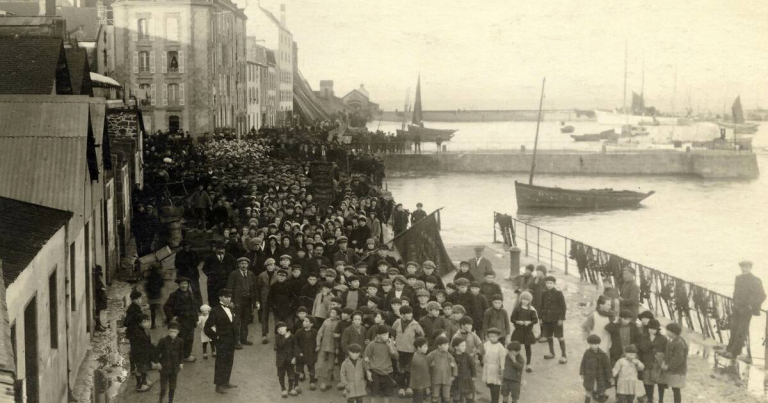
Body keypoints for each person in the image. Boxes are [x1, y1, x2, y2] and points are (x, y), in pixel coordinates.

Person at [723, 260, 766, 360]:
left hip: (746, 309)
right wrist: (734, 302)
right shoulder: (738, 278)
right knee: (733, 328)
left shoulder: (755, 280)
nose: (744, 269)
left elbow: (762, 296)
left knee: (741, 331)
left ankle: (734, 353)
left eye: (746, 267)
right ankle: (729, 349)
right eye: (742, 267)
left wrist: (751, 305)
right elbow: (736, 292)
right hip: (737, 308)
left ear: (750, 268)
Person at [203, 288, 238, 394]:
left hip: (231, 340)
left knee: (229, 360)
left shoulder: (230, 308)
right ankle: (218, 385)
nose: (228, 299)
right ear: (220, 298)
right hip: (222, 340)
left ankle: (226, 382)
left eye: (229, 297)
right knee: (221, 362)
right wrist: (216, 337)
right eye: (226, 297)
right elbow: (207, 328)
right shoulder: (215, 310)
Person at [162, 277, 199, 362]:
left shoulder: (190, 293)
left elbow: (194, 307)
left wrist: (196, 319)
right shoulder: (174, 295)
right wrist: (172, 317)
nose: (183, 285)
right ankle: (178, 356)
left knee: (190, 339)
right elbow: (166, 307)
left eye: (185, 283)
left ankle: (186, 355)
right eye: (182, 284)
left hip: (190, 321)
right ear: (178, 285)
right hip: (181, 321)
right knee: (181, 338)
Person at [226, 256, 259, 347]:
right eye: (241, 264)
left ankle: (243, 339)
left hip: (248, 301)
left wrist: (255, 300)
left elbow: (254, 288)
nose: (243, 265)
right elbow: (229, 288)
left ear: (248, 265)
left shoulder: (251, 274)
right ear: (238, 265)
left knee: (245, 321)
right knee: (236, 321)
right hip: (237, 301)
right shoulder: (234, 274)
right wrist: (231, 301)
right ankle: (236, 341)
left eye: (245, 264)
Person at [393, 305, 425, 397]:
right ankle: (401, 388)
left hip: (411, 351)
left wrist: (417, 346)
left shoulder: (415, 324)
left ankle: (409, 388)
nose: (410, 315)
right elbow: (392, 334)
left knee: (410, 370)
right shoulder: (397, 323)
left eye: (411, 313)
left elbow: (421, 336)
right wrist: (393, 344)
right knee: (400, 370)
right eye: (407, 313)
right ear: (402, 315)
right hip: (399, 351)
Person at [364, 325, 398, 403]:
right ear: (378, 335)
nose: (386, 336)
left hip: (388, 372)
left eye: (387, 334)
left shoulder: (390, 343)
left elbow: (396, 357)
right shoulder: (372, 344)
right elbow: (365, 359)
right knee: (374, 394)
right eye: (384, 335)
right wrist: (368, 371)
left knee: (388, 395)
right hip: (375, 372)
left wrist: (390, 347)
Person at [637, 319, 667, 403]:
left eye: (654, 328)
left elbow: (666, 351)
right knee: (647, 382)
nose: (651, 330)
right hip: (646, 362)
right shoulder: (643, 337)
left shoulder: (663, 339)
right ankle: (649, 399)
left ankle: (661, 400)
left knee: (660, 383)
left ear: (657, 329)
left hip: (658, 364)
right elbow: (641, 349)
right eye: (650, 328)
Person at [540, 275, 568, 364]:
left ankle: (563, 355)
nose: (549, 285)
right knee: (548, 336)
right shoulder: (544, 294)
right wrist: (540, 318)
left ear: (554, 284)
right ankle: (551, 352)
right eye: (547, 283)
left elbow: (563, 307)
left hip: (556, 320)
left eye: (551, 283)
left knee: (560, 337)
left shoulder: (558, 294)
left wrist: (561, 319)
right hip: (547, 319)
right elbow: (541, 307)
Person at [156, 322, 184, 403]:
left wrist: (181, 363)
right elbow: (156, 353)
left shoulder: (180, 341)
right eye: (171, 331)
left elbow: (181, 353)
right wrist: (157, 362)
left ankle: (170, 401)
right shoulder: (163, 341)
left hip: (174, 369)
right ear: (168, 331)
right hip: (164, 368)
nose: (173, 334)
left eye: (175, 332)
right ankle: (161, 401)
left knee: (172, 387)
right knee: (163, 387)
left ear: (178, 332)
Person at [509, 291, 538, 372]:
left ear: (529, 301)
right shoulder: (517, 309)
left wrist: (529, 322)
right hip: (518, 330)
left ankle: (528, 364)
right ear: (520, 299)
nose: (525, 301)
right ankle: (515, 361)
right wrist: (517, 322)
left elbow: (535, 320)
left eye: (527, 300)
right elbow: (512, 318)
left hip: (527, 331)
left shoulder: (531, 310)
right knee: (516, 346)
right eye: (523, 299)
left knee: (527, 347)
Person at [580, 334, 613, 403]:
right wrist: (582, 373)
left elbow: (608, 367)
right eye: (591, 344)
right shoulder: (587, 353)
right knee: (588, 390)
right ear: (589, 344)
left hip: (600, 377)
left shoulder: (603, 354)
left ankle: (601, 398)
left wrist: (610, 377)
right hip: (589, 376)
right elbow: (583, 363)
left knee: (600, 390)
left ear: (598, 344)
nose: (594, 346)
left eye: (596, 344)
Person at [127, 314, 154, 392]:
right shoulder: (138, 333)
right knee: (140, 370)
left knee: (144, 369)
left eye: (147, 321)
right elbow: (138, 346)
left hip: (143, 354)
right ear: (139, 323)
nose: (146, 323)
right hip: (139, 355)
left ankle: (144, 381)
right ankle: (139, 386)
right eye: (144, 322)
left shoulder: (143, 330)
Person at [427, 335, 458, 403]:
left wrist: (453, 376)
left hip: (447, 379)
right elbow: (425, 362)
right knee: (435, 396)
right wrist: (430, 365)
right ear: (439, 346)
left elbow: (455, 366)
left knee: (446, 396)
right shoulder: (433, 354)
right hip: (435, 378)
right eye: (445, 345)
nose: (447, 346)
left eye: (448, 345)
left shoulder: (449, 355)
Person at [662, 323, 687, 403]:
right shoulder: (671, 339)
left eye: (668, 331)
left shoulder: (679, 342)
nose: (667, 332)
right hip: (673, 369)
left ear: (673, 332)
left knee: (676, 389)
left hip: (677, 370)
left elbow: (679, 358)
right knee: (674, 388)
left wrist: (668, 366)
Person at [316, 307, 340, 392]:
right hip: (324, 346)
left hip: (333, 348)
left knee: (330, 365)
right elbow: (319, 333)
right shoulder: (326, 322)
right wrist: (318, 344)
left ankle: (327, 382)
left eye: (334, 313)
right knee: (320, 363)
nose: (331, 314)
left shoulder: (339, 323)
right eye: (331, 312)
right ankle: (321, 379)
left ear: (338, 316)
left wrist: (337, 347)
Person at [482, 327, 507, 403]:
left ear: (498, 337)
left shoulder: (500, 347)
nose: (491, 338)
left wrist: (502, 370)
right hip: (487, 367)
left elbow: (503, 360)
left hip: (496, 368)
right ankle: (493, 399)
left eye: (494, 337)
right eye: (490, 336)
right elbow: (483, 353)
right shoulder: (486, 344)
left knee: (495, 387)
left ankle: (495, 401)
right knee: (490, 385)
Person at [275, 321, 298, 397]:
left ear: (286, 328)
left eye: (282, 328)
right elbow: (280, 345)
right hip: (281, 360)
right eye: (278, 329)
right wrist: (285, 337)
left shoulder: (292, 337)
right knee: (281, 375)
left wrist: (295, 357)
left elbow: (295, 348)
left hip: (290, 360)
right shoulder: (277, 337)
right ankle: (283, 389)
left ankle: (291, 388)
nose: (280, 330)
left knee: (291, 374)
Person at [295, 316, 318, 390]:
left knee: (311, 367)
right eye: (304, 321)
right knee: (299, 367)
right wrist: (298, 352)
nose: (304, 322)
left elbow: (317, 342)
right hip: (301, 353)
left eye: (306, 321)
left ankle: (312, 381)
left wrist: (316, 349)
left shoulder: (314, 332)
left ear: (311, 324)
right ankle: (300, 377)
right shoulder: (299, 332)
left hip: (311, 353)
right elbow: (295, 343)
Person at [451, 337, 475, 403]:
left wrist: (473, 376)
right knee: (456, 395)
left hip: (466, 379)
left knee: (469, 395)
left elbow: (472, 366)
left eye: (465, 345)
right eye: (462, 346)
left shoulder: (467, 356)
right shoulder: (452, 356)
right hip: (456, 379)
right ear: (456, 347)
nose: (464, 347)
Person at [409, 337, 431, 403]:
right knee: (418, 400)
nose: (427, 348)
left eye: (427, 346)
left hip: (420, 384)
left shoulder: (421, 355)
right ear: (418, 348)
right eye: (425, 346)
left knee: (418, 399)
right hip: (418, 384)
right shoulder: (417, 358)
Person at [144, 263, 165, 329]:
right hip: (157, 294)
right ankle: (163, 323)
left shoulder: (148, 277)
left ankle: (153, 324)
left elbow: (146, 286)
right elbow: (162, 284)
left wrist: (147, 292)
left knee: (152, 310)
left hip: (151, 296)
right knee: (160, 308)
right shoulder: (159, 276)